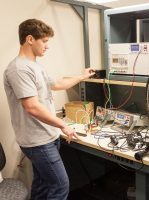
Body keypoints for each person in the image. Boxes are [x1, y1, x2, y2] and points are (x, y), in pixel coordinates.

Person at [3, 19, 95, 200]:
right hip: (38, 141)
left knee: (43, 182)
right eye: (44, 41)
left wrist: (82, 76)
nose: (47, 46)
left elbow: (58, 84)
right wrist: (63, 125)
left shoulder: (35, 66)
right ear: (30, 39)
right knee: (60, 185)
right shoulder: (18, 69)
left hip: (47, 137)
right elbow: (32, 107)